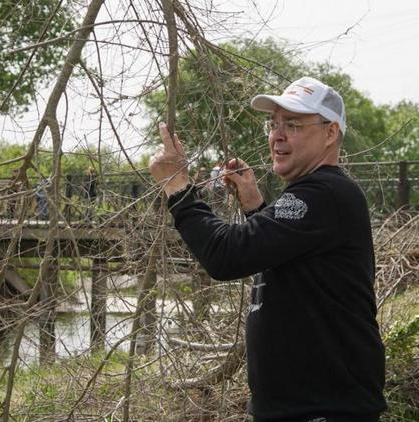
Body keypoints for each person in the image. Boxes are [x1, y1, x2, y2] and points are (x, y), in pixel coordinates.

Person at [149, 76, 387, 421]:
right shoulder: (317, 195)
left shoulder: (325, 193)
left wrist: (178, 187)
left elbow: (226, 256)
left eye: (292, 124)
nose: (277, 135)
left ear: (330, 133)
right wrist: (254, 205)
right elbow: (287, 263)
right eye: (273, 124)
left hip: (324, 411)